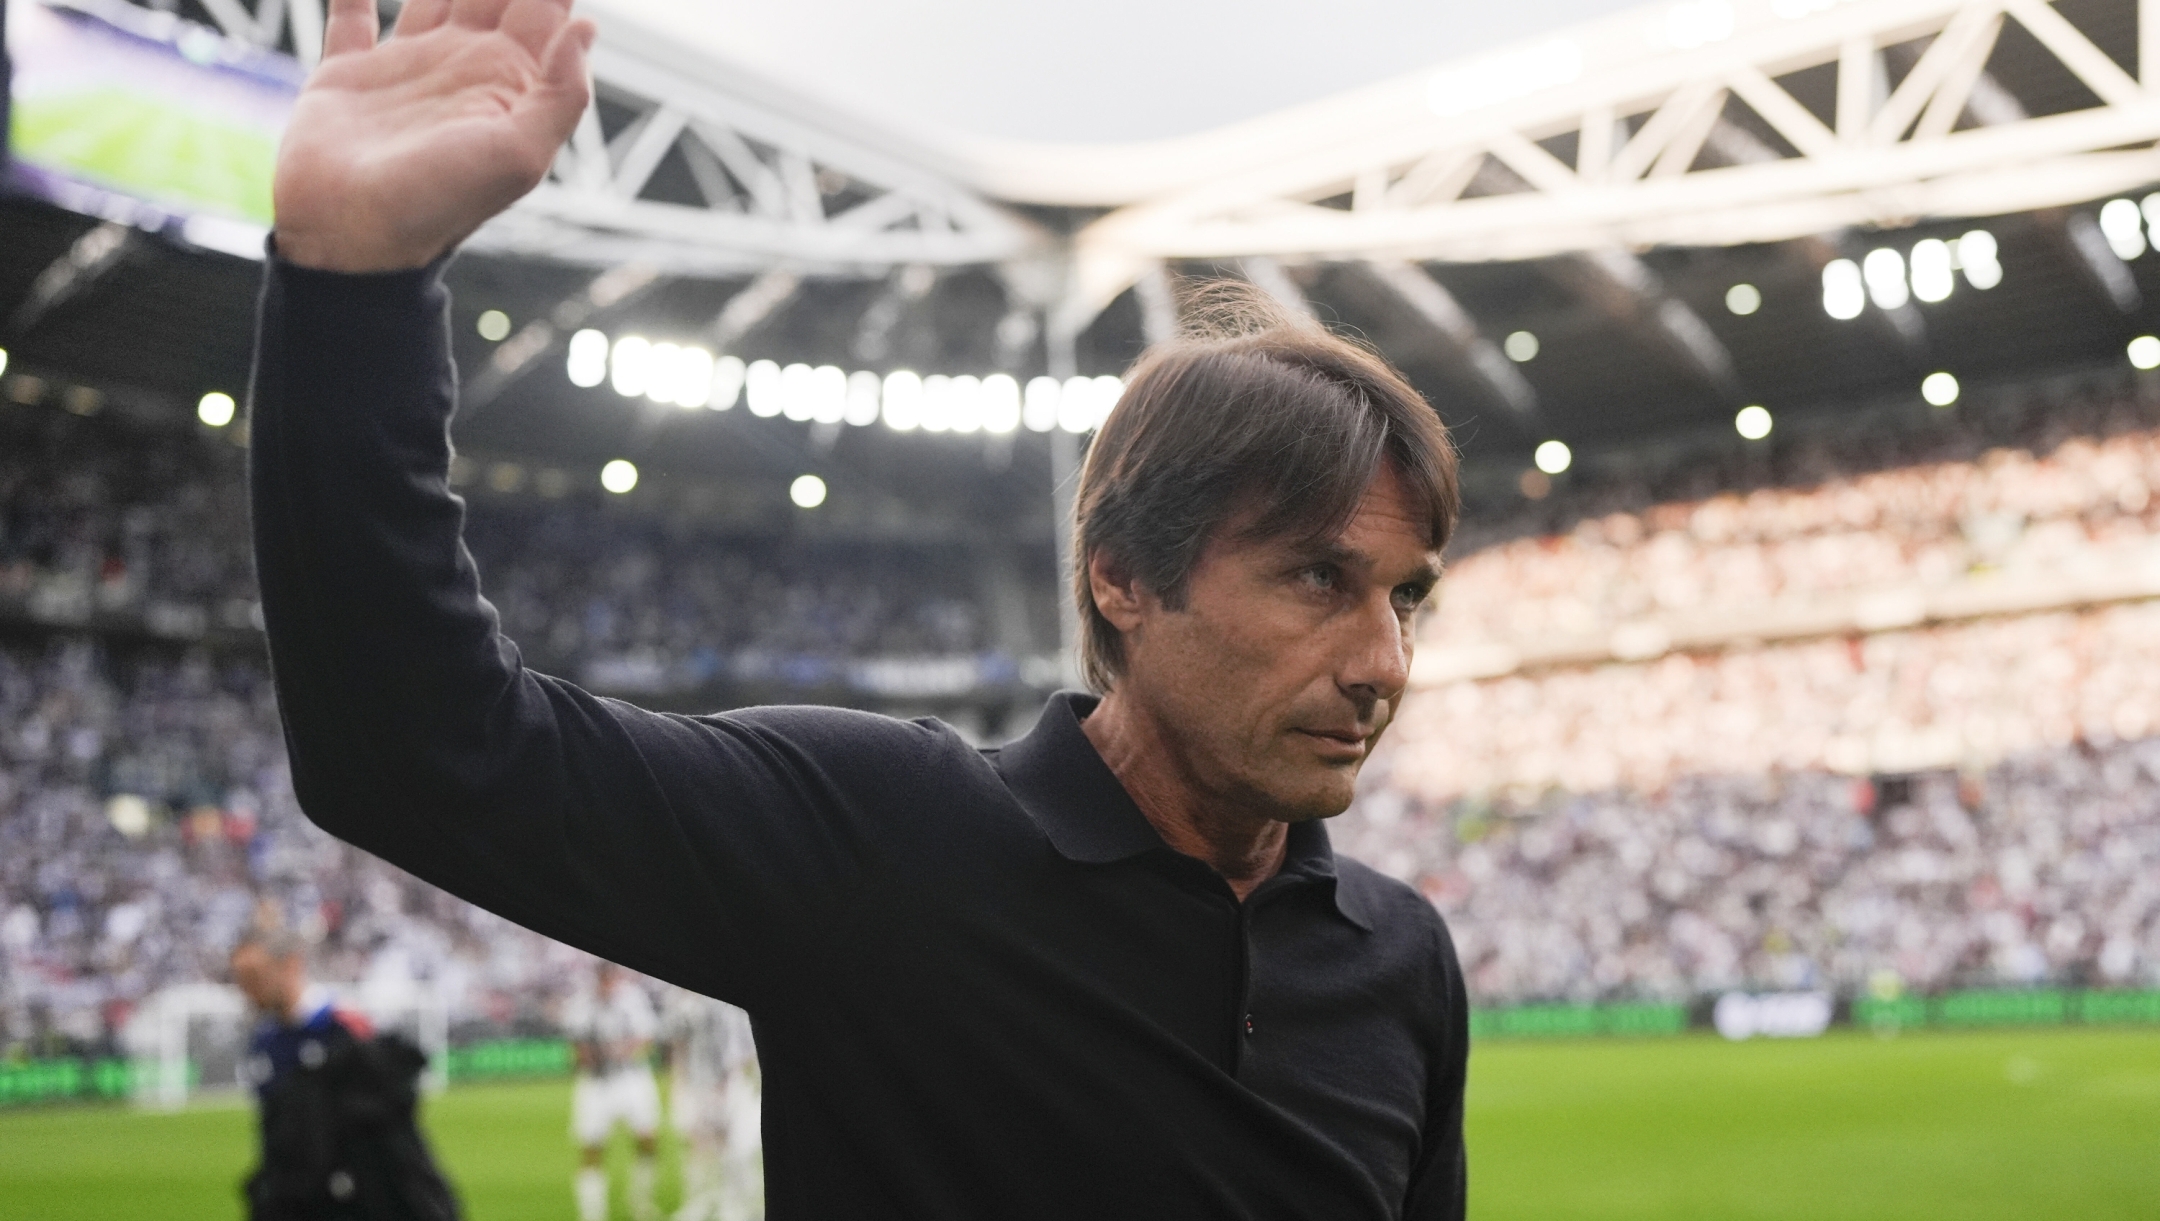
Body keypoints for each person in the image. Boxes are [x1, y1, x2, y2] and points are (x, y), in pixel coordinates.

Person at [254, 0, 1470, 1216]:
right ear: (1126, 578)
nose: (1383, 661)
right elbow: (413, 752)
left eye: (1404, 595)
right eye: (1319, 579)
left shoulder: (1401, 958)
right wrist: (356, 291)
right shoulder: (880, 842)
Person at [230, 928, 460, 1221]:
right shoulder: (264, 1042)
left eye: (254, 976)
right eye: (241, 979)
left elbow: (390, 1123)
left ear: (290, 965)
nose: (247, 988)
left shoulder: (345, 1029)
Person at [564, 963, 663, 1221]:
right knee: (591, 1146)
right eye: (603, 979)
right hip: (596, 1082)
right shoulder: (581, 1003)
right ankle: (593, 1212)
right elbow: (576, 1046)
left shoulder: (633, 999)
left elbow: (647, 1038)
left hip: (631, 1078)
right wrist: (589, 1056)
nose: (607, 984)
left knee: (647, 1138)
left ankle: (640, 1200)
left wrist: (624, 1050)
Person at [663, 986, 762, 1221]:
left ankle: (740, 1205)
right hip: (699, 1084)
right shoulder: (681, 1002)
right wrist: (680, 1083)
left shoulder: (726, 1006)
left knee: (735, 1147)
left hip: (731, 1084)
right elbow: (679, 1047)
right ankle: (702, 1203)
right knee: (700, 1145)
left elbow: (742, 1049)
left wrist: (728, 1083)